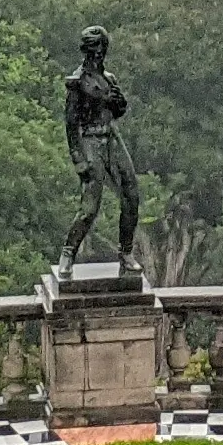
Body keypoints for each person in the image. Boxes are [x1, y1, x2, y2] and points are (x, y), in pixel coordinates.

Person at [58, 27, 139, 271]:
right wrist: (78, 160)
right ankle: (68, 252)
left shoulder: (109, 79)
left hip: (111, 137)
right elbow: (71, 124)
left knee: (131, 196)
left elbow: (117, 111)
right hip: (90, 140)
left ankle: (126, 252)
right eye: (94, 50)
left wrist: (119, 103)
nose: (99, 54)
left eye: (102, 49)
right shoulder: (78, 83)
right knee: (90, 207)